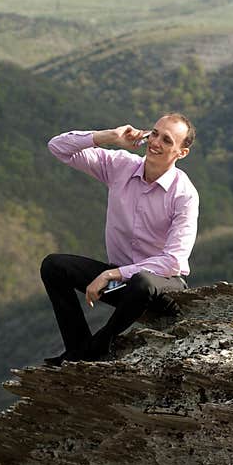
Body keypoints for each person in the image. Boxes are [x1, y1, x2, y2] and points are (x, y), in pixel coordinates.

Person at [40, 113, 199, 366]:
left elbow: (173, 261)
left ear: (182, 153)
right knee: (54, 266)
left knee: (142, 281)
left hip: (161, 290)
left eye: (167, 140)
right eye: (154, 133)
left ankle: (101, 345)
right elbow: (58, 147)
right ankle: (78, 349)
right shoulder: (121, 166)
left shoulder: (184, 195)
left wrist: (113, 274)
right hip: (122, 287)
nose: (155, 142)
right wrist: (111, 136)